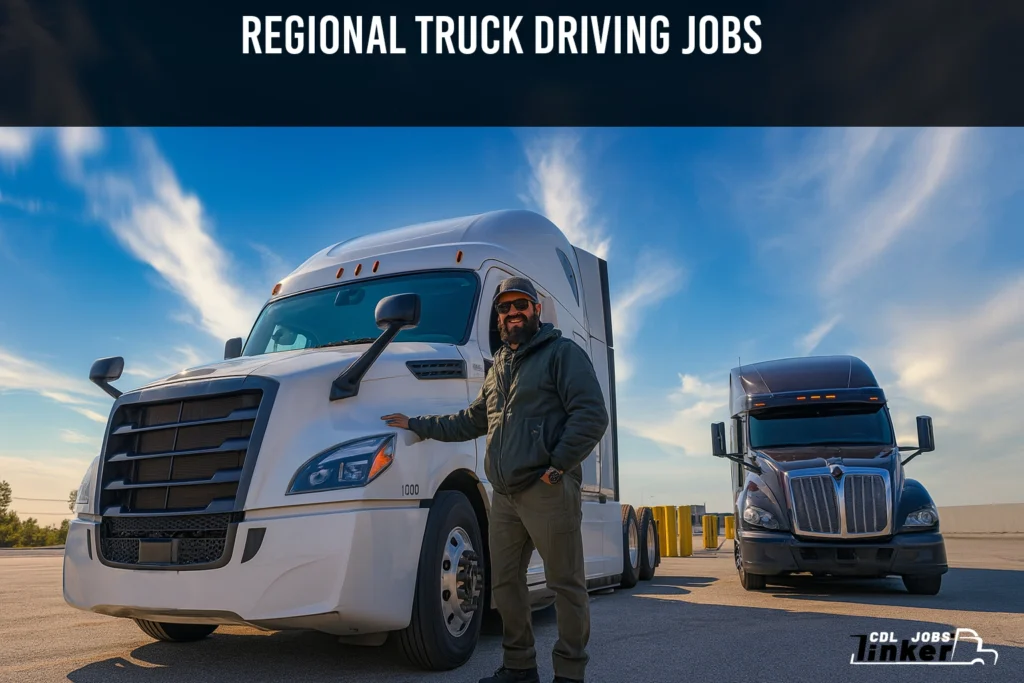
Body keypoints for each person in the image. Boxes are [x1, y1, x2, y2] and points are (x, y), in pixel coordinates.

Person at [382, 276, 609, 683]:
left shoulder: (562, 354)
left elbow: (592, 415)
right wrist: (418, 424)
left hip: (547, 489)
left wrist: (557, 466)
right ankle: (519, 667)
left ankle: (570, 673)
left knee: (565, 585)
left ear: (536, 309)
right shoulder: (500, 364)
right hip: (504, 496)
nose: (512, 312)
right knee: (504, 585)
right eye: (504, 308)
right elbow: (472, 419)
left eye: (520, 304)